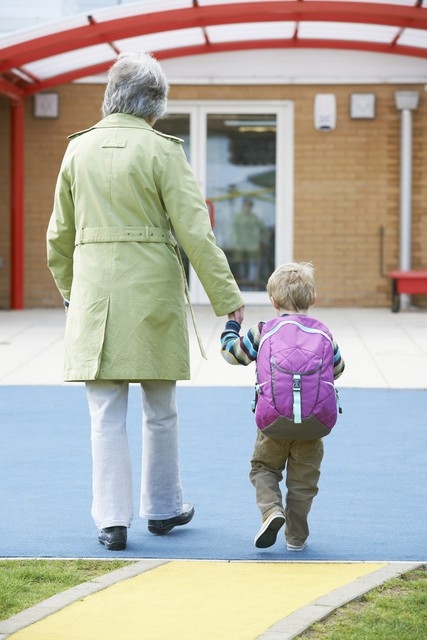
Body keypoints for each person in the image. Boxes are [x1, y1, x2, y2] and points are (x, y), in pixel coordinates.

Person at [47, 52, 244, 551]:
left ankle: (112, 521)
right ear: (154, 103)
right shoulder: (163, 151)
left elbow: (57, 238)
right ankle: (162, 507)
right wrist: (227, 298)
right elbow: (196, 233)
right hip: (153, 287)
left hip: (95, 293)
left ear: (111, 95)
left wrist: (74, 293)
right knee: (161, 408)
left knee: (104, 412)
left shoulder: (77, 151)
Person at [220, 262, 344, 551]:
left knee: (263, 467)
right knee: (303, 484)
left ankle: (271, 510)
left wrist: (232, 326)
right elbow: (337, 369)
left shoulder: (263, 331)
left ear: (273, 302)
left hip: (273, 421)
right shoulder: (325, 334)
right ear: (313, 299)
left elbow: (231, 355)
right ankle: (296, 539)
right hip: (314, 424)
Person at [232, 198, 264, 289]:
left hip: (252, 245)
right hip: (241, 245)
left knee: (252, 264)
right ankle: (243, 285)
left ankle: (251, 286)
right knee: (242, 264)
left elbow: (260, 229)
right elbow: (234, 231)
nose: (248, 208)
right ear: (243, 206)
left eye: (249, 206)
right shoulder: (238, 217)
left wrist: (259, 241)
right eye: (246, 205)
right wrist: (235, 243)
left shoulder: (254, 217)